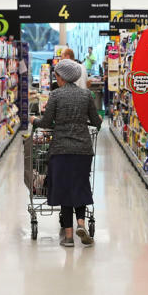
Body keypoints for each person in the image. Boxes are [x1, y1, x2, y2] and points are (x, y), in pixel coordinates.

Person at [31, 59, 102, 247]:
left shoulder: (55, 95)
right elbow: (96, 122)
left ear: (60, 77)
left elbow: (46, 123)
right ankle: (81, 223)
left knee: (64, 189)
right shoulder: (86, 95)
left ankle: (69, 237)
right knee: (80, 185)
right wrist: (94, 120)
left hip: (61, 149)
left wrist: (33, 120)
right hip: (83, 150)